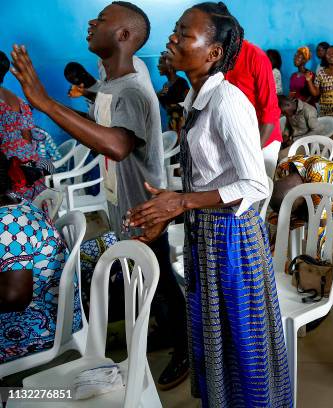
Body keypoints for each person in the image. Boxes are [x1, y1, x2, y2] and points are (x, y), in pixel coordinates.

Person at [10, 1, 189, 389]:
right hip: (119, 199)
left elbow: (117, 145)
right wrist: (87, 103)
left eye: (103, 19)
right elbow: (102, 126)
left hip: (145, 202)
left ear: (124, 35)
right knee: (146, 276)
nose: (92, 22)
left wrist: (44, 102)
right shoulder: (109, 85)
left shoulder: (135, 91)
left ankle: (185, 345)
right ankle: (163, 326)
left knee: (158, 277)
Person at [127, 3, 291, 405]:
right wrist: (171, 210)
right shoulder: (195, 99)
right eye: (176, 31)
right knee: (215, 334)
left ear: (214, 53)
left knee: (240, 337)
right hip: (208, 232)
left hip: (233, 240)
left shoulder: (228, 102)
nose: (173, 39)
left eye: (184, 33)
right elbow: (206, 177)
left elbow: (254, 182)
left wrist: (181, 202)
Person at [0, 151, 82, 364]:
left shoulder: (8, 223)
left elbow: (14, 297)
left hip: (40, 325)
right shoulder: (14, 203)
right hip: (47, 311)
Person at [269, 155, 333, 251]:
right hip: (319, 200)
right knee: (276, 219)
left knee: (318, 234)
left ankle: (317, 266)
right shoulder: (283, 167)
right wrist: (280, 232)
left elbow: (322, 222)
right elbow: (281, 199)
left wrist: (293, 219)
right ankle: (276, 252)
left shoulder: (318, 177)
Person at [224, 20, 282, 179]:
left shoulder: (256, 57)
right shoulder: (220, 58)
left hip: (263, 140)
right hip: (237, 141)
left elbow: (270, 113)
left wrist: (252, 154)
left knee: (259, 196)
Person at [0, 51, 46, 201]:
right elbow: (27, 137)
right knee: (32, 208)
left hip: (8, 166)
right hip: (29, 160)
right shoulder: (17, 99)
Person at [278, 95, 321, 160]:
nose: (283, 114)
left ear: (288, 105)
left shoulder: (308, 110)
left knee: (281, 156)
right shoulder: (290, 111)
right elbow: (288, 125)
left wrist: (295, 140)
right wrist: (285, 135)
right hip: (292, 141)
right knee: (274, 151)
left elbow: (316, 131)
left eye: (283, 112)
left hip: (307, 143)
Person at [157, 52, 190, 133]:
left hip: (182, 126)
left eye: (161, 62)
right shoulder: (165, 85)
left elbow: (189, 104)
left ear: (170, 66)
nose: (158, 66)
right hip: (171, 125)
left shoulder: (181, 83)